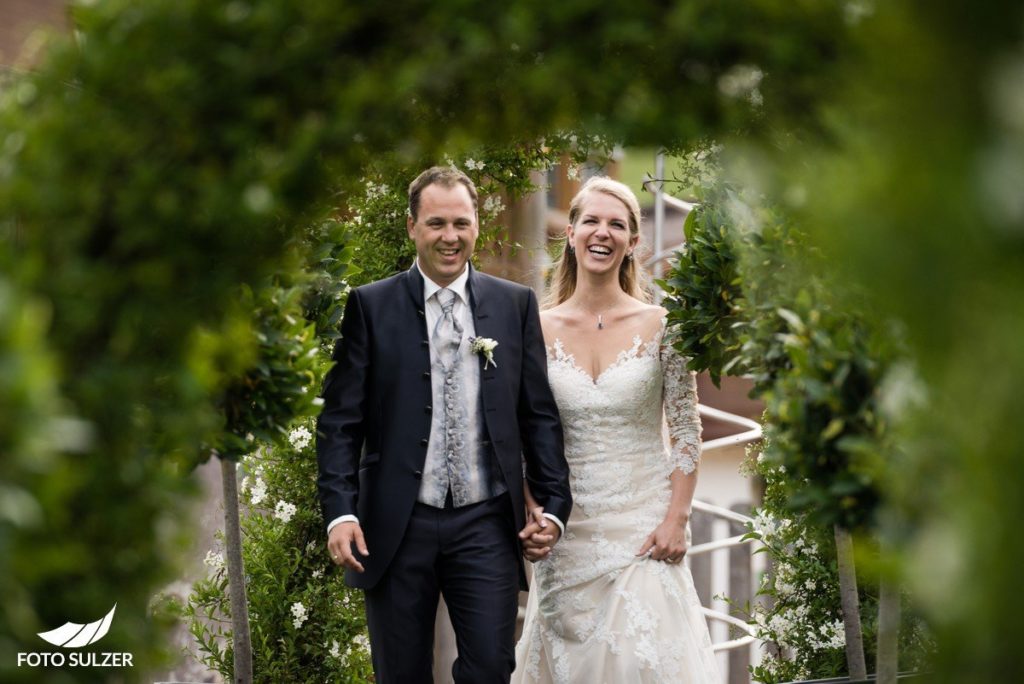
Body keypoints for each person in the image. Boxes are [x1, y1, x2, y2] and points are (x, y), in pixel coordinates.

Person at [316, 166, 573, 684]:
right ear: (411, 226)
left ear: (477, 224)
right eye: (436, 223)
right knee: (400, 673)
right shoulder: (370, 305)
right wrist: (340, 513)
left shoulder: (513, 304)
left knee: (490, 668)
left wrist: (555, 507)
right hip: (396, 524)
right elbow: (341, 421)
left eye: (461, 222)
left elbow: (538, 413)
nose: (450, 237)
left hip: (485, 522)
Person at [514, 177, 721, 682]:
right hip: (567, 534)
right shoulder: (532, 328)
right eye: (591, 220)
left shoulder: (663, 324)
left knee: (640, 658)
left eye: (616, 224)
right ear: (571, 232)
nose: (601, 232)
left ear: (632, 243)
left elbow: (687, 429)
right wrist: (529, 506)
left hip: (645, 529)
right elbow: (519, 432)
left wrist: (678, 517)